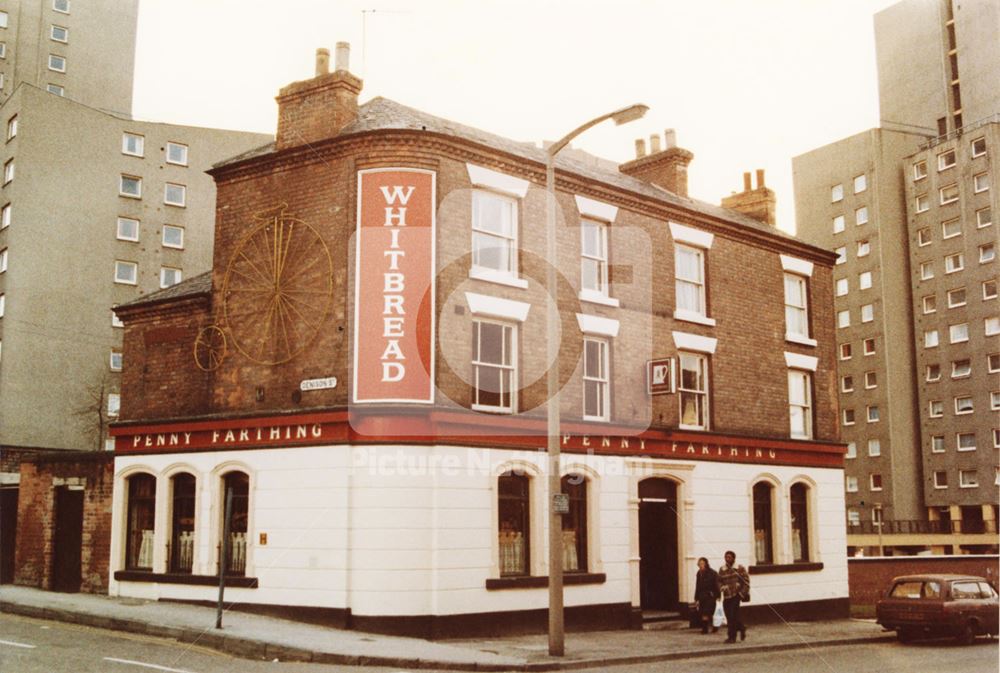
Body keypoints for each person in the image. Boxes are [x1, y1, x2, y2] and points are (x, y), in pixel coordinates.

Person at [716, 550, 750, 643]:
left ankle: (732, 637)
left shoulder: (739, 568)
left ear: (733, 558)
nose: (727, 559)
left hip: (736, 595)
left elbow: (746, 582)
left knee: (732, 616)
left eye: (729, 557)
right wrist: (722, 587)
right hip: (727, 596)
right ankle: (742, 628)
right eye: (726, 557)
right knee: (729, 616)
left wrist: (741, 594)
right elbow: (718, 581)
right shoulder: (722, 569)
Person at [694, 557, 719, 634]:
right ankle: (711, 627)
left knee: (707, 611)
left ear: (706, 564)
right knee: (703, 612)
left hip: (710, 595)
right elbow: (697, 586)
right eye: (699, 564)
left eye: (702, 563)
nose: (701, 565)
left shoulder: (712, 573)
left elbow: (716, 585)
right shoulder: (699, 573)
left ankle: (705, 629)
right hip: (702, 596)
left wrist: (717, 596)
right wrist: (696, 598)